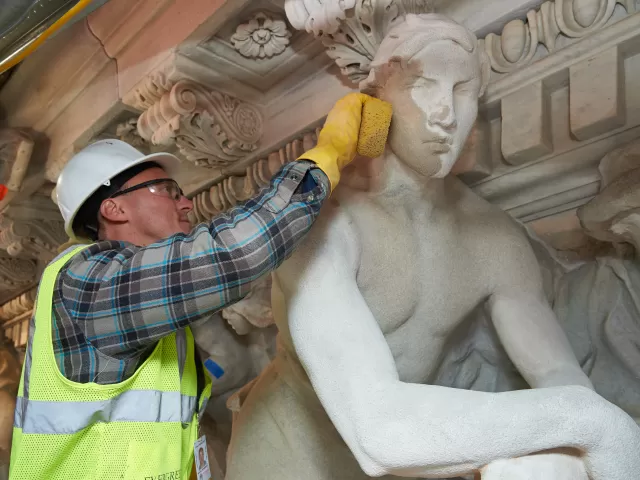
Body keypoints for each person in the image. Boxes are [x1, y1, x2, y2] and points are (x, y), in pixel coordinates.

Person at [8, 93, 376, 479]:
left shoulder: (143, 300)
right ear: (113, 208)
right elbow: (233, 255)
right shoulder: (87, 283)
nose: (185, 204)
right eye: (167, 190)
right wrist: (324, 158)